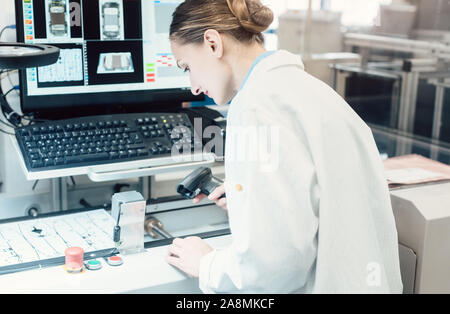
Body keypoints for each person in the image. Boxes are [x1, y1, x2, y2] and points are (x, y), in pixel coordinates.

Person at [165, 0, 403, 293]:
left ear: (213, 43)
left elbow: (274, 268)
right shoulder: (310, 91)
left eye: (187, 66)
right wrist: (253, 199)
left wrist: (207, 265)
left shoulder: (255, 107)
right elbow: (322, 195)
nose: (193, 87)